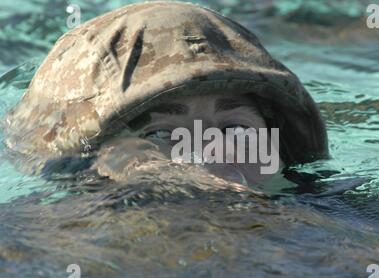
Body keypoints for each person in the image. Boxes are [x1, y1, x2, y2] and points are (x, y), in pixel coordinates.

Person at [3, 1, 328, 185]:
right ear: (84, 168)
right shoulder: (26, 255)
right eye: (161, 134)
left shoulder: (353, 239)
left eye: (236, 129)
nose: (220, 170)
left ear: (282, 152)